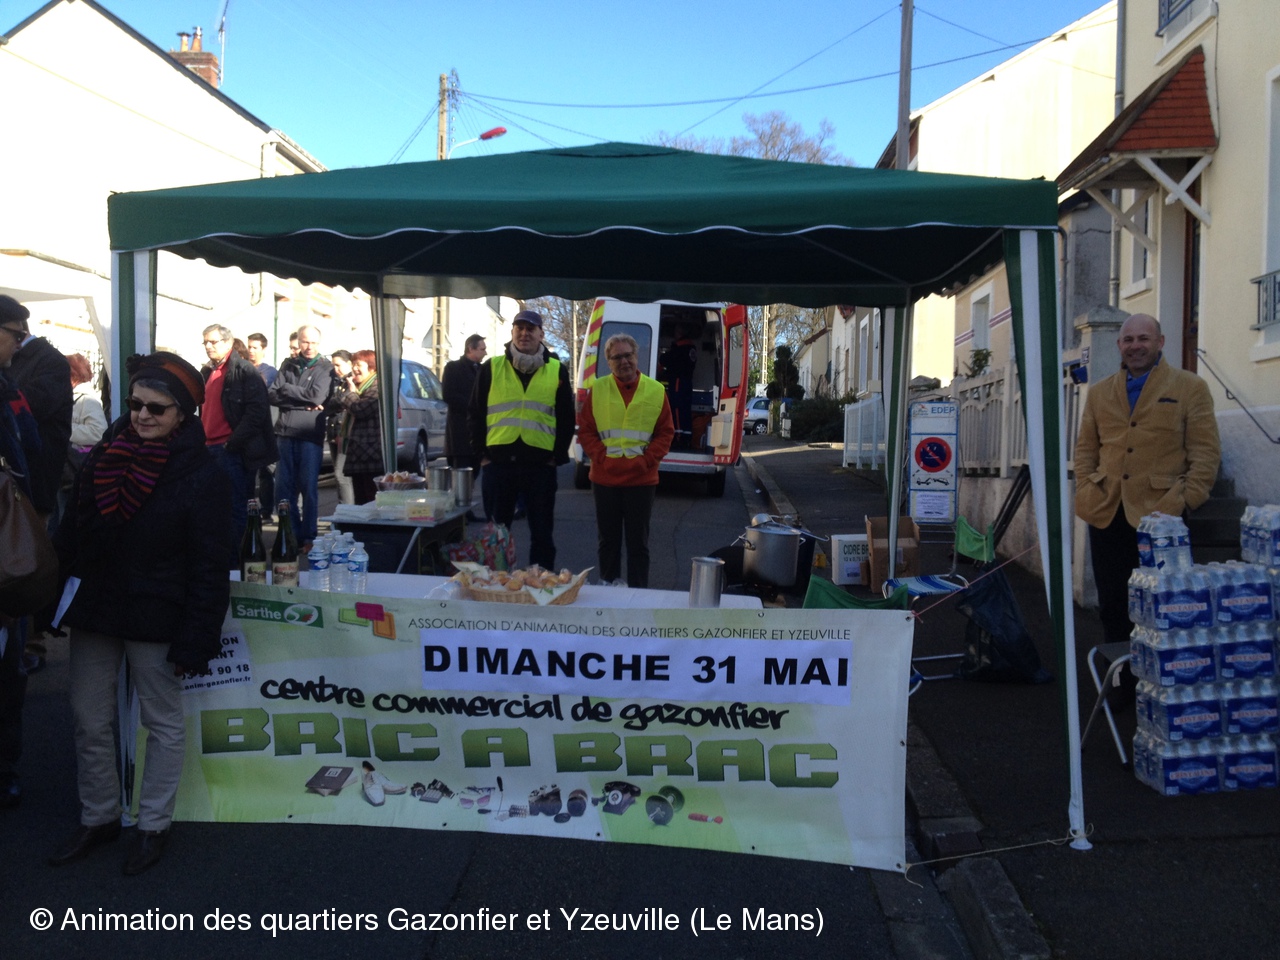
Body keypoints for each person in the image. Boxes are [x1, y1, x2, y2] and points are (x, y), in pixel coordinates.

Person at [49, 352, 231, 875]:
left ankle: (153, 825)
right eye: (135, 404)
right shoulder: (106, 453)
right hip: (99, 605)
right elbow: (72, 532)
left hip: (157, 610)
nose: (142, 415)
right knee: (88, 717)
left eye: (156, 408)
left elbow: (210, 563)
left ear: (182, 414)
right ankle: (100, 816)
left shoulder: (204, 472)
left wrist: (197, 635)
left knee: (162, 722)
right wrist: (46, 596)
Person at [1074, 313, 1221, 647]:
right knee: (1113, 603)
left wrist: (1187, 499)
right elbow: (1085, 449)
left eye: (1143, 338)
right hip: (1107, 511)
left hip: (1163, 515)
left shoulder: (1190, 387)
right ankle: (1121, 672)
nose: (1135, 346)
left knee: (1163, 604)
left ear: (1160, 342)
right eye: (1128, 340)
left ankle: (1159, 672)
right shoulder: (1099, 393)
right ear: (1119, 345)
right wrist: (1086, 487)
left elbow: (1205, 451)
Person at [468, 309, 574, 570]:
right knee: (497, 536)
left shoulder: (557, 370)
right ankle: (496, 584)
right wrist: (482, 456)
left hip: (540, 467)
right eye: (520, 328)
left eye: (531, 328)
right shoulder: (492, 367)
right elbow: (475, 413)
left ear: (541, 334)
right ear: (512, 332)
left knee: (542, 535)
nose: (525, 333)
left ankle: (541, 584)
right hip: (498, 466)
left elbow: (566, 417)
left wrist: (557, 457)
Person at [577, 334, 674, 588]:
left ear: (636, 356)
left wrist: (646, 461)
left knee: (638, 545)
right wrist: (601, 458)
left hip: (641, 480)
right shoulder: (598, 389)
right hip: (605, 479)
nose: (624, 361)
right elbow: (586, 430)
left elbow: (665, 433)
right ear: (608, 362)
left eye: (628, 355)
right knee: (608, 542)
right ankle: (609, 591)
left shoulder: (656, 390)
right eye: (616, 357)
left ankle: (638, 595)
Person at [0, 347, 41, 809]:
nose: (18, 343)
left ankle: (6, 769)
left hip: (5, 558)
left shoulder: (8, 389)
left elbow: (29, 450)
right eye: (13, 334)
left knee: (9, 674)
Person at [200, 324, 278, 564]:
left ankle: (239, 565)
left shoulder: (243, 370)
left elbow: (257, 412)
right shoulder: (208, 371)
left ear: (228, 343)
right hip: (210, 449)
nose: (208, 346)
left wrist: (232, 443)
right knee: (215, 510)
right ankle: (224, 561)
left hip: (230, 451)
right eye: (205, 342)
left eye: (213, 341)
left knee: (236, 509)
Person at [0, 296, 72, 519]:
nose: (17, 344)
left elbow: (31, 414)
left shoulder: (51, 362)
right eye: (16, 336)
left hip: (28, 492)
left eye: (20, 336)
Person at [268, 325, 333, 547]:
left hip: (309, 435)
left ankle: (309, 536)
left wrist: (288, 389)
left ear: (319, 343)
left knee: (308, 488)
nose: (309, 346)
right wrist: (300, 402)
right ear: (299, 341)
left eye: (313, 342)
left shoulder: (325, 367)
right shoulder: (288, 364)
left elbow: (316, 397)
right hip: (285, 433)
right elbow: (272, 394)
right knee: (283, 490)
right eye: (305, 341)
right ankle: (291, 534)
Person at [443, 334, 487, 520]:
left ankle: (465, 508)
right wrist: (473, 406)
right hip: (460, 433)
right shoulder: (453, 368)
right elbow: (448, 395)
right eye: (482, 349)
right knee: (460, 473)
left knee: (473, 472)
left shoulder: (483, 370)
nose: (485, 352)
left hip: (478, 434)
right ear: (471, 349)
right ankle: (459, 512)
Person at [331, 350, 382, 504]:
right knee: (360, 499)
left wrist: (351, 393)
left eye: (359, 365)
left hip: (371, 454)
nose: (354, 369)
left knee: (370, 499)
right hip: (358, 454)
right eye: (353, 364)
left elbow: (361, 409)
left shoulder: (377, 387)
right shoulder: (359, 386)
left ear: (371, 367)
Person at [245, 333, 278, 508]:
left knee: (266, 471)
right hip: (247, 428)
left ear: (263, 349)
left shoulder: (270, 372)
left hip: (266, 428)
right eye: (249, 347)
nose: (251, 350)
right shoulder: (242, 368)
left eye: (255, 347)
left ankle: (266, 509)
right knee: (249, 472)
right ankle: (250, 509)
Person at [658, 324, 698, 449]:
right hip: (687, 382)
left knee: (676, 408)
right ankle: (686, 437)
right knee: (685, 409)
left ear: (679, 333)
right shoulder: (691, 348)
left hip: (678, 382)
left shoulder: (680, 348)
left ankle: (678, 437)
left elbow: (665, 359)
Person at [326, 349, 355, 505]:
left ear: (349, 363)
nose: (335, 369)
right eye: (333, 366)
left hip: (344, 433)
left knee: (341, 474)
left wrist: (335, 402)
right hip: (333, 431)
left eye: (338, 365)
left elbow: (343, 401)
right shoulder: (338, 381)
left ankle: (347, 509)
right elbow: (328, 404)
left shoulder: (352, 380)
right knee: (339, 475)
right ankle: (344, 507)